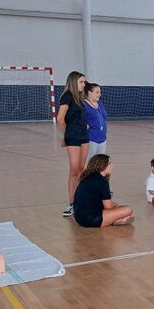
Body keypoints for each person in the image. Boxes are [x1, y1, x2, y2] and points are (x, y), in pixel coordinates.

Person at [58, 71, 89, 217]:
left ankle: (80, 199)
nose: (84, 84)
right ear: (74, 82)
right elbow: (60, 119)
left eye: (84, 82)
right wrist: (66, 134)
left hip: (84, 136)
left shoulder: (80, 98)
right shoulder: (67, 96)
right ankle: (71, 203)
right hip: (73, 136)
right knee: (74, 169)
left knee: (82, 168)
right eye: (81, 82)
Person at [73, 154, 133, 227]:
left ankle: (116, 219)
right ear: (102, 166)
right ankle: (116, 220)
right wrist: (114, 206)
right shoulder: (101, 181)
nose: (112, 165)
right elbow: (108, 207)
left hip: (79, 218)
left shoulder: (88, 177)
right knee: (128, 209)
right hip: (91, 220)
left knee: (116, 207)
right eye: (109, 163)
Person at [83, 82, 107, 164]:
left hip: (102, 139)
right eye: (97, 92)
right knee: (89, 163)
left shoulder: (100, 104)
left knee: (99, 164)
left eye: (100, 92)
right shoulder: (84, 105)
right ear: (89, 92)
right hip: (91, 139)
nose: (99, 94)